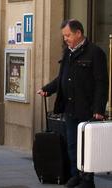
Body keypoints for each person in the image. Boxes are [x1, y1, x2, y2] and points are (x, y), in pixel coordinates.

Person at [37, 19, 108, 188]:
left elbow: (101, 83)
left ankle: (87, 179)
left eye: (68, 35)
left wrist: (98, 108)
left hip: (87, 108)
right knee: (72, 145)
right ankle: (75, 175)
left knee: (87, 146)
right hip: (70, 108)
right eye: (64, 36)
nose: (65, 39)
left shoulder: (95, 52)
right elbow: (61, 78)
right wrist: (48, 89)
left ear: (78, 33)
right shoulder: (68, 53)